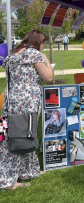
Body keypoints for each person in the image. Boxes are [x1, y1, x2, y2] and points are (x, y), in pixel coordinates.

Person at [0, 30, 53, 191]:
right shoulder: (34, 55)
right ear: (38, 42)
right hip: (26, 102)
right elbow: (49, 78)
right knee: (21, 136)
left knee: (14, 135)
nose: (43, 47)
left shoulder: (12, 55)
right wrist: (45, 59)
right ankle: (6, 180)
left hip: (10, 101)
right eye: (43, 43)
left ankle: (27, 170)